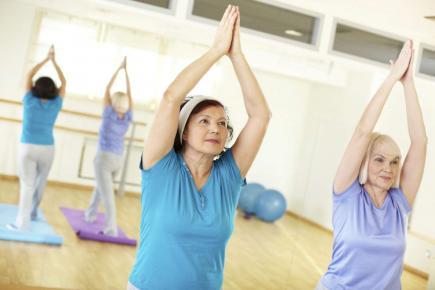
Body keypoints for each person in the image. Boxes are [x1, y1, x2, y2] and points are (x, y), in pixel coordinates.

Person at [128, 5, 271, 290]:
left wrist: (237, 56)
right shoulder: (161, 166)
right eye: (203, 121)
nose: (215, 129)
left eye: (221, 123)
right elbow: (171, 97)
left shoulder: (228, 175)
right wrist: (216, 51)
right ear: (183, 128)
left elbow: (260, 116)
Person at [318, 40, 427, 290]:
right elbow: (362, 132)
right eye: (379, 159)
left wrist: (408, 84)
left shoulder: (399, 204)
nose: (388, 168)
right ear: (364, 161)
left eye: (395, 161)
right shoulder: (347, 195)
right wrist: (391, 79)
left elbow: (420, 142)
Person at [8, 45, 66, 230]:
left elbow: (29, 75)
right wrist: (54, 61)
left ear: (35, 87)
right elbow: (64, 82)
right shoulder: (56, 103)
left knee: (27, 184)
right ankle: (33, 211)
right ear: (53, 90)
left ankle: (22, 223)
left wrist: (44, 60)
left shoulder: (29, 101)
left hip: (28, 148)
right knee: (41, 181)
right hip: (48, 148)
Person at [84, 57, 133, 236]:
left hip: (104, 158)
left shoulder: (108, 114)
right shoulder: (127, 117)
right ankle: (90, 213)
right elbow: (130, 92)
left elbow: (106, 89)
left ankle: (111, 228)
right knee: (101, 187)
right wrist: (126, 73)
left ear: (113, 102)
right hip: (118, 159)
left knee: (107, 195)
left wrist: (119, 70)